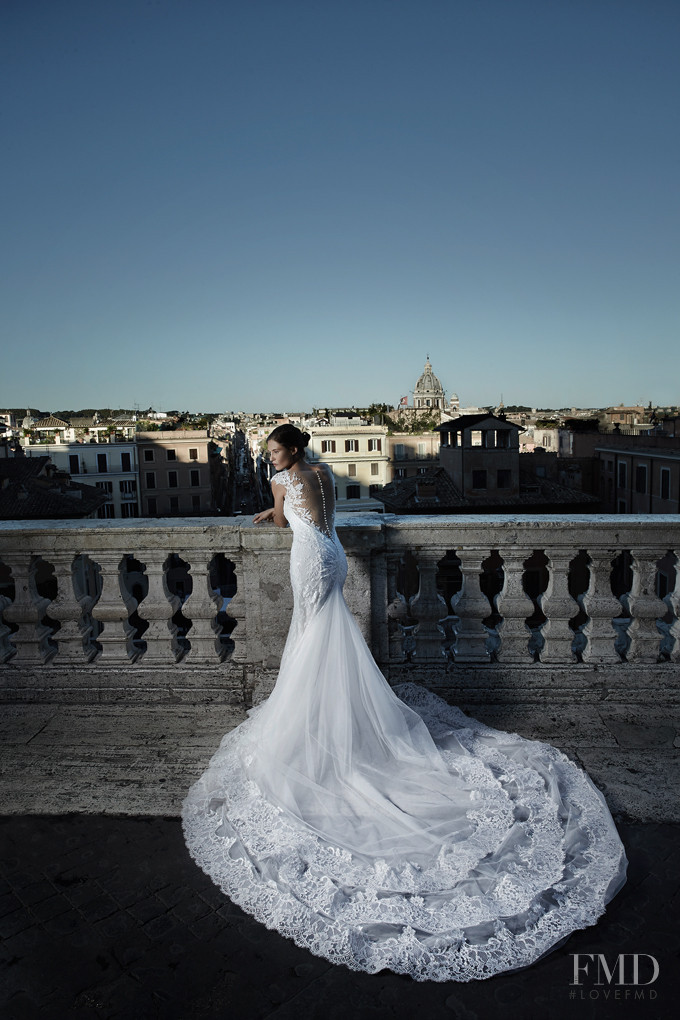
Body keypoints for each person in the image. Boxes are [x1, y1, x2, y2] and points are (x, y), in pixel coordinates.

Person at [182, 424, 627, 981]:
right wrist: (279, 514)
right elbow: (321, 521)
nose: (270, 456)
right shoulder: (321, 474)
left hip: (307, 562)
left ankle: (313, 724)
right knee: (325, 635)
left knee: (310, 637)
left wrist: (270, 513)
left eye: (274, 449)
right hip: (333, 558)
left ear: (289, 451)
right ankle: (329, 714)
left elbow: (285, 514)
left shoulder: (282, 479)